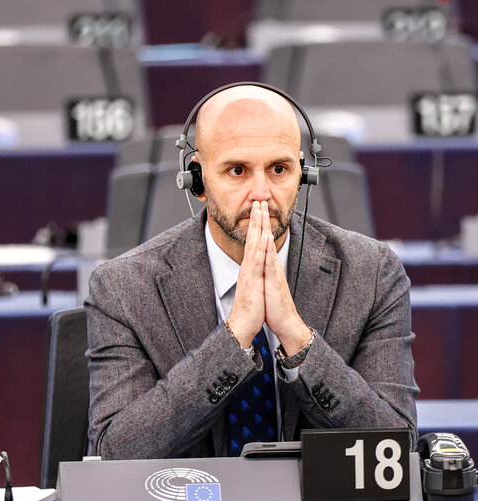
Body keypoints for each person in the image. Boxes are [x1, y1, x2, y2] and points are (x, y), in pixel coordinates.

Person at [85, 84, 419, 460]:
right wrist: (235, 338)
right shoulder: (123, 288)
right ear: (197, 179)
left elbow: (397, 446)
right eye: (237, 170)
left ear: (304, 175)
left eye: (279, 169)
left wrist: (296, 338)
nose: (261, 193)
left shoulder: (372, 273)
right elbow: (113, 453)